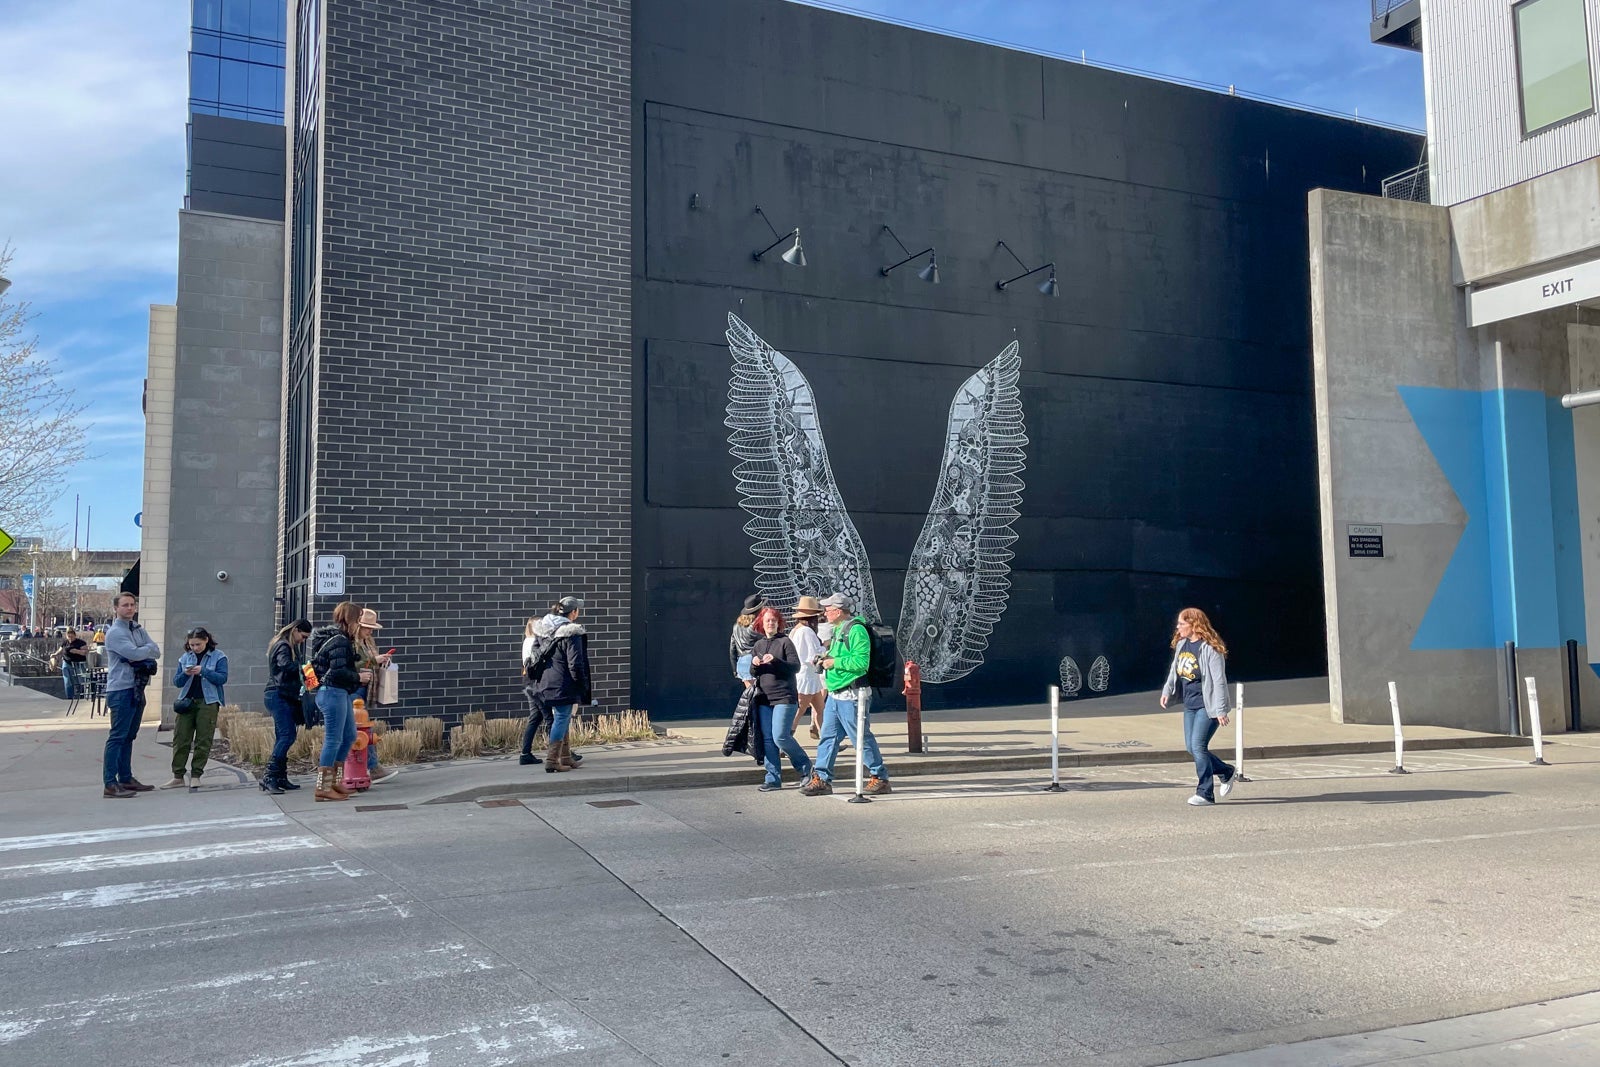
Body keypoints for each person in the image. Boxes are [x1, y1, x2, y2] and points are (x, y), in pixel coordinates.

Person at [801, 593, 890, 796]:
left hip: (852, 696)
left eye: (828, 609)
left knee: (861, 737)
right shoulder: (839, 629)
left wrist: (834, 662)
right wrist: (826, 658)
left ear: (838, 611)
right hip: (836, 694)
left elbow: (861, 664)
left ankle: (880, 777)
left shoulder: (856, 630)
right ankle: (822, 778)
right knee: (828, 737)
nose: (825, 613)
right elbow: (842, 656)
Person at [1160, 607, 1237, 807]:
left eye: (1182, 624)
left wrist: (1220, 710)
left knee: (1198, 747)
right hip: (1191, 704)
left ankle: (1205, 793)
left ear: (1194, 625)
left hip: (1208, 705)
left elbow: (1219, 681)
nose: (1178, 627)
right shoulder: (1182, 644)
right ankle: (1226, 771)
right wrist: (1167, 690)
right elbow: (1174, 671)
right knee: (1191, 747)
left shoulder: (1211, 649)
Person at [307, 602, 371, 802]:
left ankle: (334, 782)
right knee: (334, 739)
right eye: (358, 618)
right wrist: (358, 678)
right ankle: (323, 787)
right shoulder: (340, 641)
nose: (360, 622)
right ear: (351, 619)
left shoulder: (339, 640)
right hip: (333, 692)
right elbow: (337, 672)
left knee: (349, 735)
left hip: (335, 692)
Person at [748, 605, 814, 791]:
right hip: (764, 699)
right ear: (761, 623)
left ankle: (806, 768)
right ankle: (773, 778)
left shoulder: (785, 642)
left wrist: (775, 661)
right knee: (768, 739)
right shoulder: (758, 645)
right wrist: (754, 664)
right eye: (768, 620)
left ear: (779, 624)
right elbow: (754, 672)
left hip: (784, 697)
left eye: (774, 621)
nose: (771, 624)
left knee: (780, 737)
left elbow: (795, 667)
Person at [101, 592, 160, 799]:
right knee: (117, 736)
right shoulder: (115, 633)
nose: (129, 608)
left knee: (129, 736)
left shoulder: (137, 629)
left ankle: (126, 778)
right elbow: (135, 654)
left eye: (132, 605)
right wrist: (142, 651)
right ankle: (110, 783)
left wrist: (140, 651)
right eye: (125, 605)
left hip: (137, 688)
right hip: (121, 689)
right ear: (116, 608)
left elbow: (156, 651)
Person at [163, 627, 229, 793]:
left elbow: (222, 678)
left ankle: (196, 775)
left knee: (203, 739)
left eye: (198, 644)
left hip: (208, 701)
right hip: (186, 700)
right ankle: (178, 776)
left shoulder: (219, 656)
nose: (195, 648)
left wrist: (203, 671)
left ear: (206, 640)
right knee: (180, 738)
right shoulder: (185, 658)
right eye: (191, 645)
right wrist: (186, 673)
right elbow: (177, 682)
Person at [530, 596, 591, 773]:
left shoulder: (542, 629)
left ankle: (565, 757)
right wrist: (581, 683)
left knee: (561, 718)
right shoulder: (572, 633)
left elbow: (535, 653)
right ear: (573, 612)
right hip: (564, 682)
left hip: (545, 681)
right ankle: (552, 760)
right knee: (562, 718)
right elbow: (575, 663)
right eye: (578, 609)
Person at [261, 619, 312, 794]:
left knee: (282, 736)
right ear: (295, 630)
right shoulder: (284, 646)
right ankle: (270, 776)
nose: (303, 640)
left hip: (276, 694)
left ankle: (280, 776)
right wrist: (305, 668)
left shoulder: (280, 643)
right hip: (279, 694)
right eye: (303, 636)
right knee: (287, 735)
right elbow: (285, 665)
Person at [353, 608, 398, 784]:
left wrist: (378, 661)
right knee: (362, 730)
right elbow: (351, 665)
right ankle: (372, 767)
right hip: (355, 688)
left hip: (364, 688)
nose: (370, 631)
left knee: (359, 730)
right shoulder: (352, 643)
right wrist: (374, 661)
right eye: (366, 627)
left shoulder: (367, 642)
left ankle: (364, 768)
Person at [789, 596, 825, 740]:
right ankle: (784, 742)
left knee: (820, 709)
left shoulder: (797, 629)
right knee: (799, 710)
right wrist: (826, 650)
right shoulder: (807, 631)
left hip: (809, 676)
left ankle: (828, 740)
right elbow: (814, 655)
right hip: (806, 677)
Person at [517, 617, 548, 766]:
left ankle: (525, 753)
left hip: (529, 683)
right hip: (537, 684)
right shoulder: (535, 642)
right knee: (550, 718)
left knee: (535, 717)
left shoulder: (526, 641)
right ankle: (562, 752)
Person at [729, 594, 762, 690]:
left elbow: (732, 648)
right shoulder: (755, 627)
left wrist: (735, 669)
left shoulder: (736, 626)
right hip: (754, 663)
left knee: (751, 694)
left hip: (741, 664)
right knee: (758, 695)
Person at [59, 628, 88, 700]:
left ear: (75, 635)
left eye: (71, 637)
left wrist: (76, 651)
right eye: (69, 637)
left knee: (80, 680)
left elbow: (85, 652)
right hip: (67, 662)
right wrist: (54, 654)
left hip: (78, 663)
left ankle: (81, 695)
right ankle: (69, 697)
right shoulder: (65, 642)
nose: (70, 638)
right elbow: (60, 650)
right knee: (67, 680)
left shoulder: (80, 642)